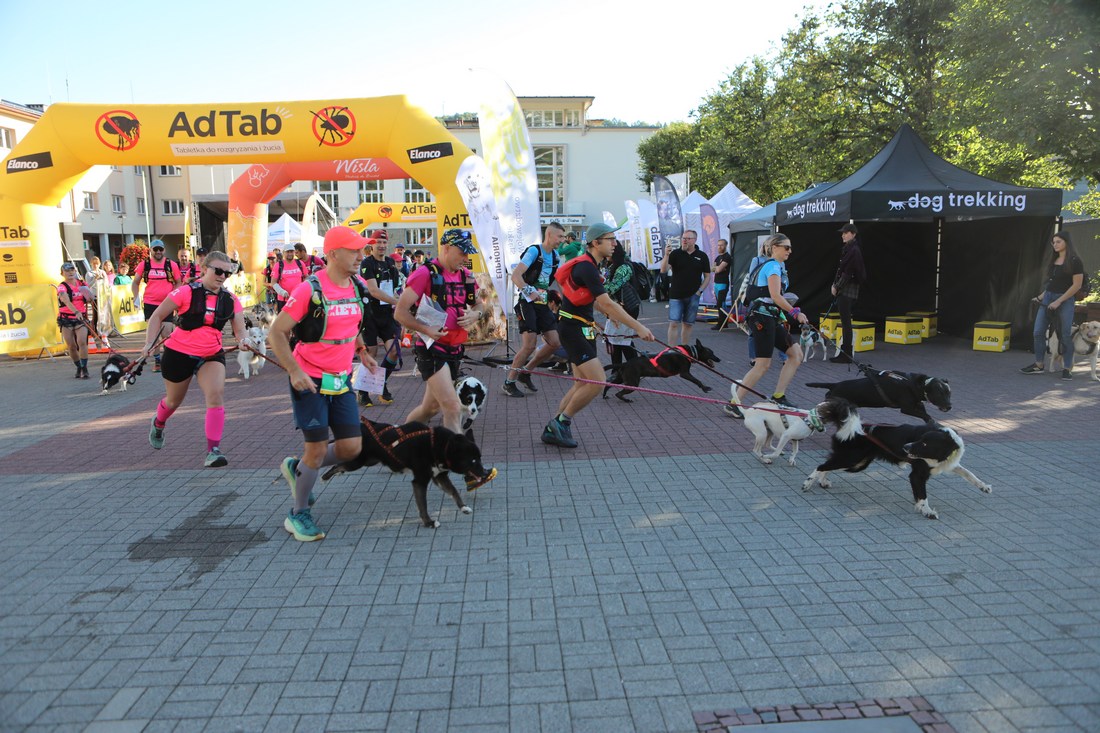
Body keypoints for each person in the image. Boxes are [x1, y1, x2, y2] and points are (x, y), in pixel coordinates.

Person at [269, 226, 378, 542]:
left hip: (341, 378)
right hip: (309, 379)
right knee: (316, 450)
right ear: (332, 254)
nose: (360, 256)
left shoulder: (357, 285)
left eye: (361, 250)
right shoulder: (309, 289)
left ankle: (300, 468)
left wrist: (361, 351)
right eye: (354, 250)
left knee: (351, 448)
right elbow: (276, 332)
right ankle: (298, 513)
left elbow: (351, 323)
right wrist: (293, 371)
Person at [394, 228, 496, 490]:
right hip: (430, 349)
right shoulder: (424, 274)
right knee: (452, 407)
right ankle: (470, 472)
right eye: (462, 253)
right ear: (446, 248)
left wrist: (475, 314)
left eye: (468, 254)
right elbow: (400, 312)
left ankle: (396, 445)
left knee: (429, 409)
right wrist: (426, 330)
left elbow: (480, 304)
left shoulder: (465, 276)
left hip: (454, 350)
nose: (466, 258)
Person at [541, 222, 655, 448]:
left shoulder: (591, 265)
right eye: (610, 239)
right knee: (596, 382)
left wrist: (607, 313)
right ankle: (561, 423)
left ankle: (554, 426)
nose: (615, 243)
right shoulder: (587, 267)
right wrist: (638, 327)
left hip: (581, 328)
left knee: (581, 383)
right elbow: (607, 302)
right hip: (573, 329)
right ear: (596, 242)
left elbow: (591, 300)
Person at [142, 251, 248, 468]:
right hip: (178, 353)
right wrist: (149, 343)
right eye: (218, 271)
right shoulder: (185, 292)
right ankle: (159, 422)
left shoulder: (230, 299)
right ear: (204, 269)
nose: (222, 276)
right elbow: (157, 316)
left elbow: (240, 330)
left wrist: (244, 340)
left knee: (216, 395)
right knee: (174, 401)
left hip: (211, 354)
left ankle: (213, 451)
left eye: (227, 273)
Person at [729, 233, 809, 417]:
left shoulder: (777, 266)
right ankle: (734, 403)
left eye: (790, 247)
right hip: (762, 317)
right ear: (774, 248)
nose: (790, 251)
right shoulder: (772, 266)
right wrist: (795, 313)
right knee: (763, 364)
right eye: (786, 247)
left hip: (769, 316)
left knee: (795, 354)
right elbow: (775, 296)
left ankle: (779, 396)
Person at [502, 222, 565, 397]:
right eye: (559, 236)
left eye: (563, 237)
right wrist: (530, 291)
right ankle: (509, 382)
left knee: (555, 342)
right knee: (529, 346)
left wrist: (567, 300)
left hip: (542, 304)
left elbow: (559, 281)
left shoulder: (556, 256)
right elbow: (516, 276)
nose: (562, 240)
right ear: (549, 235)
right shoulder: (534, 251)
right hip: (526, 303)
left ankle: (526, 372)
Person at [1021, 230, 1085, 379]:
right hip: (1048, 297)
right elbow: (1051, 284)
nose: (1055, 244)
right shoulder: (1054, 260)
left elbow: (1076, 285)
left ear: (1066, 242)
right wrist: (1040, 297)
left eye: (1058, 242)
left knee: (1065, 335)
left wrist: (1058, 301)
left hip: (1065, 299)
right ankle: (1039, 365)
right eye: (1053, 242)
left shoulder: (1075, 261)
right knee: (1038, 332)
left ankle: (1067, 368)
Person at [358, 235, 402, 407]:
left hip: (387, 314)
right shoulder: (367, 263)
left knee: (394, 351)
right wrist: (395, 301)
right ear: (372, 245)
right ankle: (363, 392)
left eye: (384, 242)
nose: (382, 245)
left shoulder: (390, 263)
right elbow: (374, 291)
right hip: (370, 314)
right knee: (371, 352)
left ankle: (381, 383)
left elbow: (396, 288)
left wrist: (400, 302)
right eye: (378, 243)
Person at [132, 240, 182, 372]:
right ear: (151, 250)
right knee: (153, 335)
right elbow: (135, 282)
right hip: (150, 303)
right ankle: (158, 361)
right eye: (155, 249)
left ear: (164, 250)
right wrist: (136, 297)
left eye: (161, 249)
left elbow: (178, 282)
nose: (158, 252)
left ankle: (168, 359)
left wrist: (174, 296)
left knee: (166, 333)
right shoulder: (145, 264)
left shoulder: (171, 264)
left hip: (166, 303)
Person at [660, 229, 711, 346]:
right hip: (676, 295)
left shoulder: (702, 256)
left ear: (694, 240)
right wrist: (666, 255)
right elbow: (663, 270)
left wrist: (700, 291)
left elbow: (707, 276)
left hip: (693, 296)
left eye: (688, 238)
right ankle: (671, 350)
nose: (685, 240)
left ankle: (684, 349)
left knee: (687, 324)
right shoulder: (675, 254)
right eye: (683, 238)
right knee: (673, 323)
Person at [829, 223, 866, 363]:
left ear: (853, 234)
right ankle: (846, 353)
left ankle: (846, 354)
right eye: (842, 233)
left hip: (847, 289)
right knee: (845, 321)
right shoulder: (850, 249)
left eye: (846, 233)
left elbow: (848, 272)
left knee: (846, 322)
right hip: (846, 288)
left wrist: (836, 287)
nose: (843, 235)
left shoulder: (853, 250)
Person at [602, 241, 642, 366]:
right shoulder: (612, 265)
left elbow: (612, 288)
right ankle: (617, 368)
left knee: (624, 340)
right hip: (617, 306)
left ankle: (634, 368)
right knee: (615, 339)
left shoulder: (624, 267)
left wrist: (597, 285)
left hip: (627, 307)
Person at [57, 263, 93, 379]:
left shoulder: (82, 284)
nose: (70, 273)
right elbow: (66, 301)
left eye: (72, 270)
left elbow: (90, 298)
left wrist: (90, 298)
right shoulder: (62, 287)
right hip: (66, 318)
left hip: (81, 318)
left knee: (82, 342)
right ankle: (78, 367)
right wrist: (76, 312)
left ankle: (84, 368)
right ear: (62, 273)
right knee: (71, 346)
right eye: (67, 271)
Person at [269, 242, 309, 313]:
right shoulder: (278, 265)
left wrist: (303, 289)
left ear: (294, 252)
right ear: (283, 253)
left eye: (291, 251)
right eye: (287, 252)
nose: (290, 254)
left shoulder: (300, 263)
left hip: (298, 298)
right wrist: (282, 292)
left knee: (299, 319)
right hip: (283, 300)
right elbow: (273, 282)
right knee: (283, 319)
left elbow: (306, 277)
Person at [711, 239, 733, 330]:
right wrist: (718, 268)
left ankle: (721, 323)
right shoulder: (717, 258)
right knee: (718, 303)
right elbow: (712, 269)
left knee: (721, 303)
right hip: (716, 283)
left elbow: (718, 270)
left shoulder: (727, 257)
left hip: (723, 283)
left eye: (721, 245)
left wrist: (718, 269)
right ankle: (724, 322)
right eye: (718, 245)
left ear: (726, 246)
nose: (719, 247)